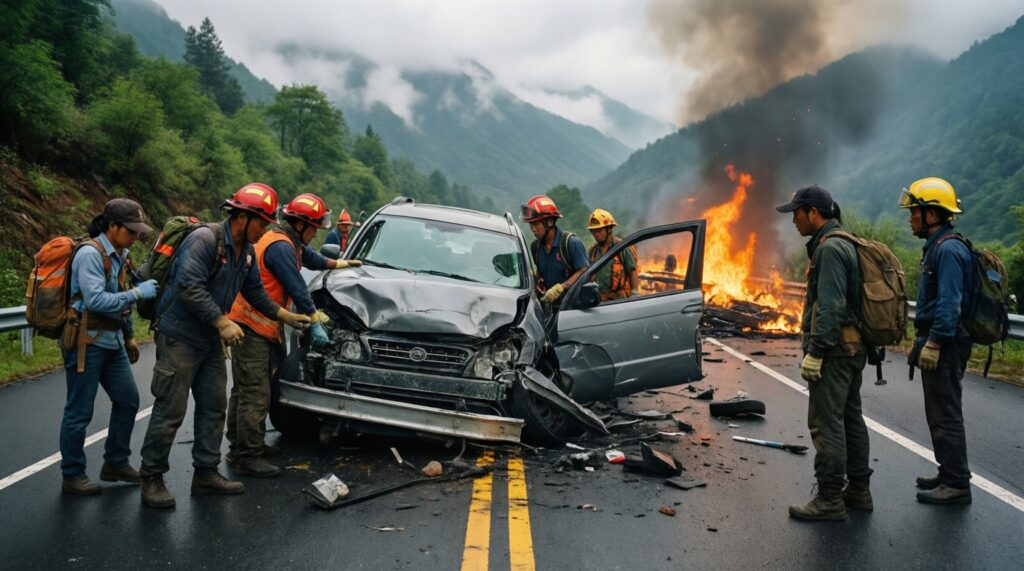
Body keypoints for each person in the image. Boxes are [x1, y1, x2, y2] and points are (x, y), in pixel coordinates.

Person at [138, 183, 312, 509]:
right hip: (179, 336)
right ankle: (151, 477)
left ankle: (205, 472)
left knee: (213, 407)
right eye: (261, 223)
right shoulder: (205, 240)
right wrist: (222, 321)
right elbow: (190, 285)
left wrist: (284, 314)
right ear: (242, 217)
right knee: (170, 411)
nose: (264, 230)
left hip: (208, 341)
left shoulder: (245, 251)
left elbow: (257, 293)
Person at [225, 193, 361, 477]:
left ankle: (243, 444)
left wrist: (342, 265)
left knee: (246, 389)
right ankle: (246, 454)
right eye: (312, 229)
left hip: (256, 322)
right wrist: (313, 320)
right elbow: (297, 286)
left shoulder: (288, 241)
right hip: (253, 324)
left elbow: (312, 259)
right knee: (255, 392)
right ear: (299, 225)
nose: (314, 234)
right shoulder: (281, 247)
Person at [776, 185, 870, 521]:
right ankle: (859, 490)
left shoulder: (830, 249)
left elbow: (829, 306)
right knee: (850, 418)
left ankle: (830, 499)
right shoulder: (846, 241)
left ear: (813, 212)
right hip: (852, 347)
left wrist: (815, 351)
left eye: (796, 213)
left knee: (826, 423)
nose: (794, 220)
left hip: (833, 351)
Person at [59, 199, 159, 495]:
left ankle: (115, 462)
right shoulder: (90, 254)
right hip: (85, 342)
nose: (135, 236)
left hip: (112, 341)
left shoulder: (120, 254)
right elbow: (96, 300)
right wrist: (139, 293)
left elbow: (120, 298)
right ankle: (72, 475)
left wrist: (128, 337)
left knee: (128, 400)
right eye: (130, 230)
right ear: (112, 226)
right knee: (79, 411)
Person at [900, 177, 975, 505]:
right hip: (940, 341)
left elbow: (950, 302)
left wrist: (934, 343)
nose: (910, 217)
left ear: (932, 215)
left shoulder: (948, 250)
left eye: (915, 211)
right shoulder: (939, 246)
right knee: (939, 411)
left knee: (946, 413)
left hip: (945, 343)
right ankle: (948, 473)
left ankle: (957, 483)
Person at [521, 195, 589, 305]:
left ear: (550, 222)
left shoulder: (571, 243)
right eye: (531, 225)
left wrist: (561, 287)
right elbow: (540, 274)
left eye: (536, 224)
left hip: (573, 309)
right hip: (550, 310)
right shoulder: (536, 247)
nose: (533, 229)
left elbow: (585, 271)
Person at [586, 209, 638, 301]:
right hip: (600, 301)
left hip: (619, 301)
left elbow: (632, 271)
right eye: (593, 231)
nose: (596, 234)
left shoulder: (622, 247)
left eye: (599, 230)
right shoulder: (593, 251)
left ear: (609, 228)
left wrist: (634, 294)